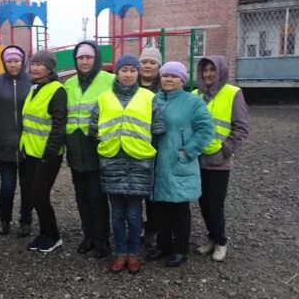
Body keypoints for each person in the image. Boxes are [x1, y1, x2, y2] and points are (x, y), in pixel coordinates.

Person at [90, 54, 165, 274]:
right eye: (124, 70)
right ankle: (120, 253)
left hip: (139, 162)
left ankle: (133, 254)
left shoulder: (149, 97)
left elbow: (158, 128)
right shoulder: (104, 98)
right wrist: (107, 139)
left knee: (133, 214)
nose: (129, 74)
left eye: (133, 70)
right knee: (117, 214)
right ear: (117, 72)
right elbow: (93, 126)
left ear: (138, 73)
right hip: (112, 160)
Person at [148, 62, 213, 267]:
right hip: (157, 163)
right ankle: (163, 245)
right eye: (165, 75)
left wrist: (187, 152)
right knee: (160, 208)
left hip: (178, 162)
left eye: (174, 76)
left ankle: (180, 249)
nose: (168, 79)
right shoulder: (154, 99)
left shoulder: (192, 102)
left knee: (179, 209)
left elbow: (206, 130)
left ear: (183, 80)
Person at [193, 55, 249, 262]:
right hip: (198, 160)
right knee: (203, 203)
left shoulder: (233, 93)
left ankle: (221, 241)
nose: (208, 74)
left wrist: (226, 150)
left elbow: (241, 127)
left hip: (219, 162)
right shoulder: (195, 94)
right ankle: (212, 237)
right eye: (205, 70)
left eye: (212, 70)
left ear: (221, 71)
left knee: (215, 203)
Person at [65, 41, 114, 258]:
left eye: (88, 57)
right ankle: (88, 236)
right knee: (81, 196)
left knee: (97, 197)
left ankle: (102, 239)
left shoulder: (110, 81)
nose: (84, 61)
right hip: (75, 149)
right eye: (80, 58)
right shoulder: (68, 84)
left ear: (96, 59)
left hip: (98, 147)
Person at [20, 50, 67, 253]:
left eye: (40, 64)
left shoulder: (57, 90)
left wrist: (50, 152)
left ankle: (54, 236)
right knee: (33, 194)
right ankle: (45, 233)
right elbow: (29, 122)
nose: (35, 67)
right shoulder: (35, 88)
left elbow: (59, 125)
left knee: (40, 195)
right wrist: (23, 147)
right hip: (30, 152)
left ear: (49, 68)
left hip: (48, 155)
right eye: (33, 64)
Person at [0, 45, 33, 237]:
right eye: (9, 61)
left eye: (17, 61)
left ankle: (26, 220)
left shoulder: (31, 81)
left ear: (22, 62)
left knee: (27, 187)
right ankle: (5, 220)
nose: (13, 65)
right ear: (4, 63)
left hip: (28, 143)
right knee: (7, 186)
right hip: (4, 143)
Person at [138, 46, 163, 253]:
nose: (147, 65)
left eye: (152, 62)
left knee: (154, 192)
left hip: (157, 145)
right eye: (144, 62)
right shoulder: (128, 85)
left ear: (159, 66)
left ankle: (153, 229)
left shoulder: (164, 89)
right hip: (134, 146)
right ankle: (137, 227)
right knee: (136, 189)